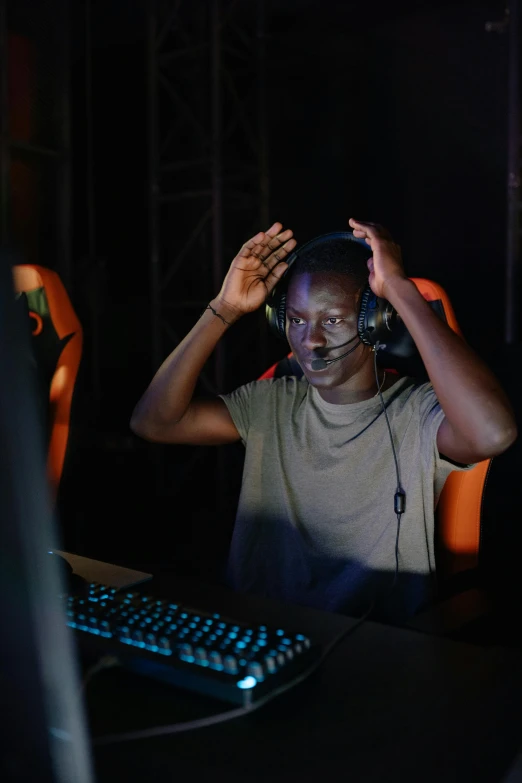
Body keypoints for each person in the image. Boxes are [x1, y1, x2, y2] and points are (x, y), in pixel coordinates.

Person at [130, 218, 517, 622]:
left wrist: (399, 292)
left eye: (331, 320)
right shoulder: (269, 402)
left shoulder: (416, 413)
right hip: (262, 632)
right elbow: (153, 422)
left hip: (372, 647)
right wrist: (224, 310)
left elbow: (494, 432)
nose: (310, 341)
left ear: (373, 323)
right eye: (296, 320)